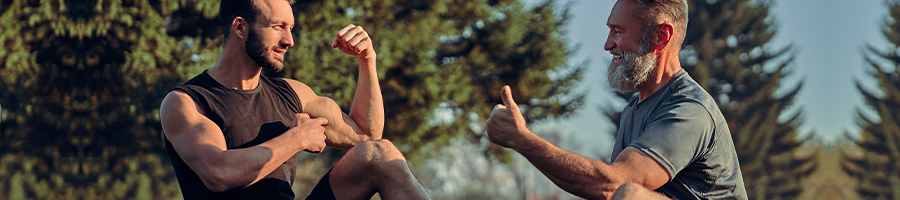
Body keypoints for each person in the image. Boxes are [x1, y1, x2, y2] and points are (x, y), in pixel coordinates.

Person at [158, 0, 431, 199]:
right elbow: (218, 174)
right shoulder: (187, 102)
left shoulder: (290, 93)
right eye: (278, 27)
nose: (289, 40)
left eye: (290, 28)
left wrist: (367, 60)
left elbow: (366, 132)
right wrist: (297, 139)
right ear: (240, 27)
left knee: (378, 154)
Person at [484, 0, 747, 199]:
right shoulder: (634, 108)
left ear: (660, 36)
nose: (608, 44)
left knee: (629, 194)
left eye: (618, 31)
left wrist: (521, 139)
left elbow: (611, 185)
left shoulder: (690, 111)